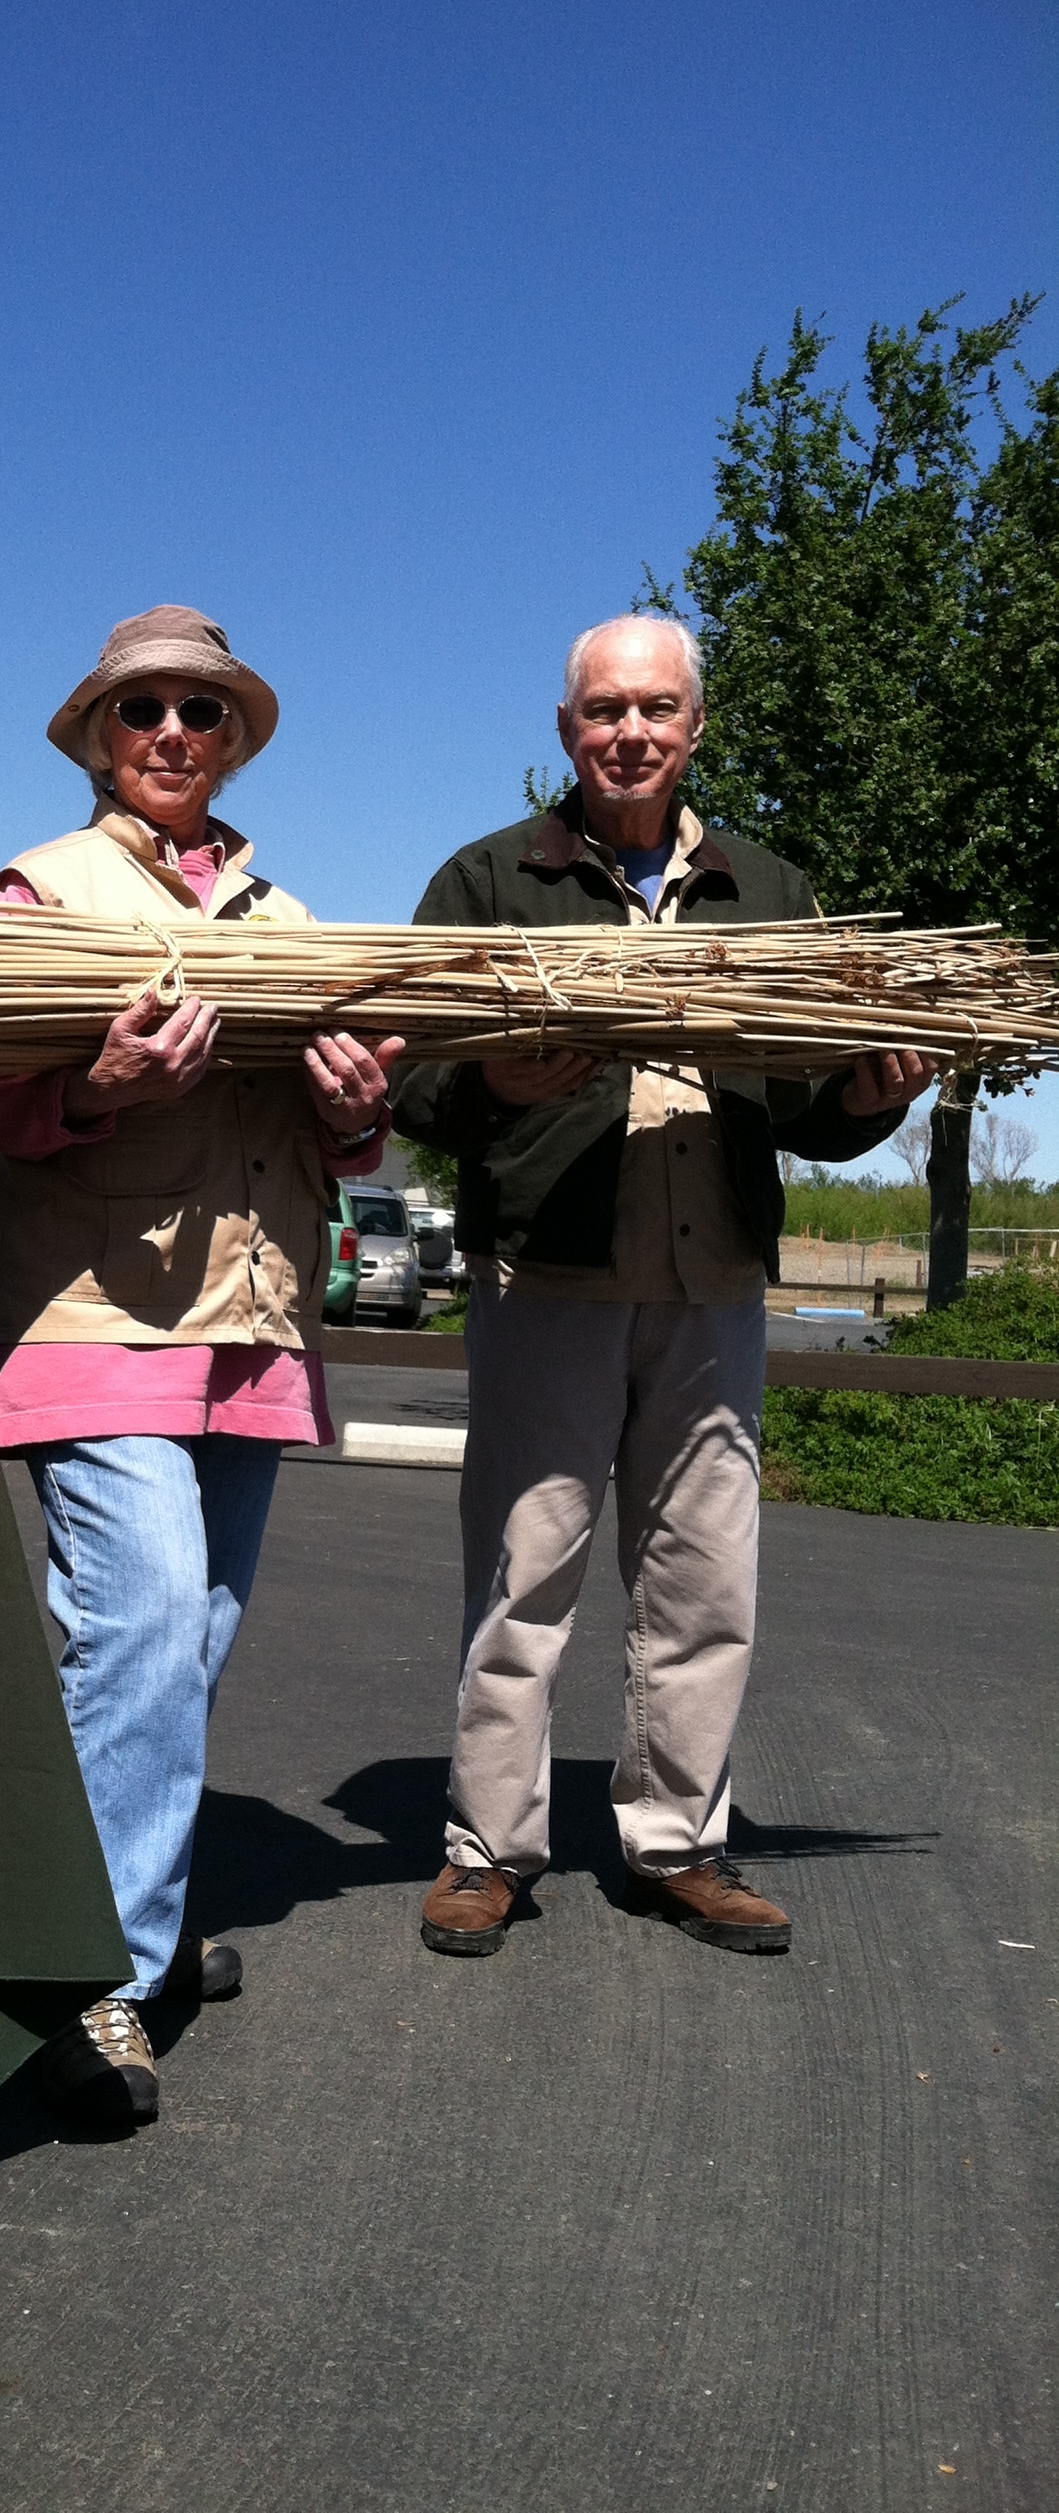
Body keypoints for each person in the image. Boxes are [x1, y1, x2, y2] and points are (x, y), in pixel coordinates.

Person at [393, 614, 933, 1959]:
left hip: (716, 1283)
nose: (628, 732)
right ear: (566, 730)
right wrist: (487, 1084)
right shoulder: (490, 881)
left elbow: (808, 1101)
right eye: (601, 710)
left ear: (695, 726)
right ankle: (487, 1846)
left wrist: (871, 1102)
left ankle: (678, 1840)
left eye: (654, 709)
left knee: (705, 1580)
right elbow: (401, 1072)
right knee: (526, 1574)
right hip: (549, 1276)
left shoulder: (769, 888)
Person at [0, 606, 403, 2126]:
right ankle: (97, 1974)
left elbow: (347, 1133)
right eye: (140, 708)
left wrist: (356, 1113)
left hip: (252, 1328)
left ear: (232, 742)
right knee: (139, 1627)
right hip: (97, 1316)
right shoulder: (42, 891)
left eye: (199, 714)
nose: (168, 733)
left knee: (181, 1649)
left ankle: (126, 1905)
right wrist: (92, 1081)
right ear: (98, 732)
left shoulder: (291, 922)